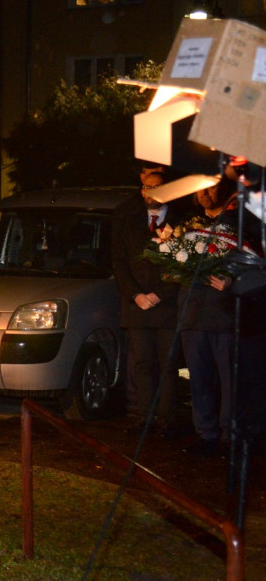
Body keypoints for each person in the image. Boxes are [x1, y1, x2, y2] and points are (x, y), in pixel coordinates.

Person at [110, 169, 184, 437]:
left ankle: (167, 420)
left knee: (167, 364)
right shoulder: (128, 221)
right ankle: (144, 416)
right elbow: (119, 262)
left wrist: (160, 293)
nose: (151, 193)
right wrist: (135, 295)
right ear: (142, 190)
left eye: (157, 187)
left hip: (165, 307)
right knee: (141, 364)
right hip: (137, 306)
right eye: (147, 187)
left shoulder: (180, 223)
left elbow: (183, 264)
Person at [178, 177, 239, 456]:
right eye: (200, 189)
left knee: (229, 380)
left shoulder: (237, 225)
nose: (205, 193)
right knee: (199, 378)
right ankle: (206, 434)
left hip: (224, 316)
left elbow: (252, 264)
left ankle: (230, 436)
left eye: (211, 187)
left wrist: (231, 281)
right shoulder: (187, 226)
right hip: (193, 314)